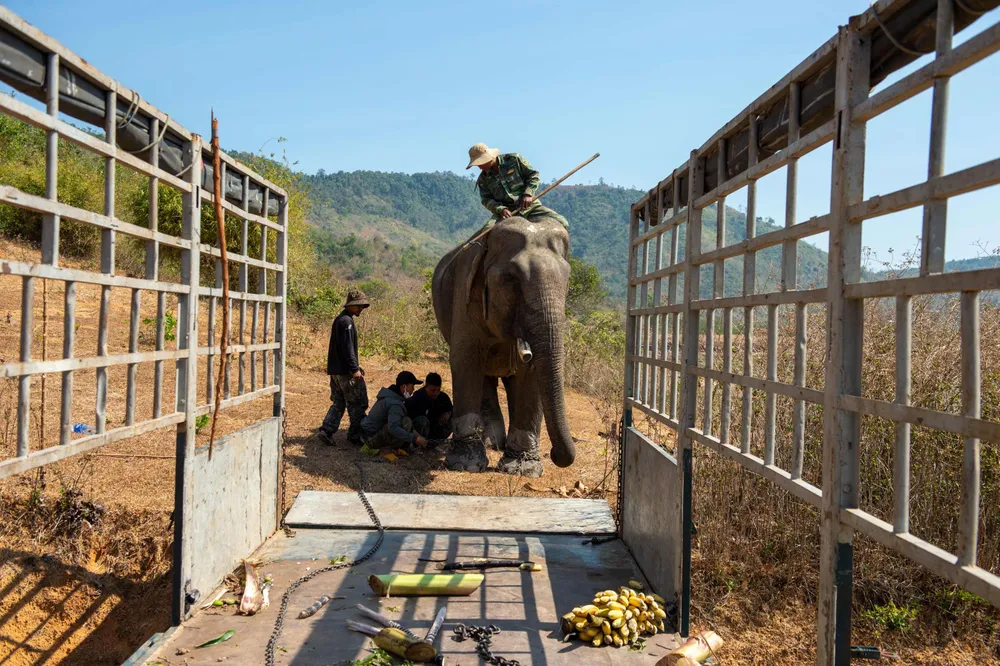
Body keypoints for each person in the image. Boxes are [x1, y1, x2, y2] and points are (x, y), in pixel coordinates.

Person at [467, 143, 569, 231]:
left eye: (480, 163)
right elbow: (486, 199)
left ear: (489, 157)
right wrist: (501, 209)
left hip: (529, 207)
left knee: (562, 222)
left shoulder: (514, 160)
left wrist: (528, 194)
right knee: (486, 233)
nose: (479, 166)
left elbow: (533, 175)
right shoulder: (483, 179)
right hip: (505, 214)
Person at [317, 289, 370, 446]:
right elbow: (347, 348)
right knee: (357, 403)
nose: (360, 309)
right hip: (345, 372)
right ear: (351, 306)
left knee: (339, 402)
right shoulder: (346, 322)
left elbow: (343, 348)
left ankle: (326, 430)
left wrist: (355, 365)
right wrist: (354, 369)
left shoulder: (340, 320)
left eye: (362, 306)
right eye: (358, 306)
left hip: (336, 371)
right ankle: (355, 435)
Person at [360, 371, 429, 451]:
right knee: (406, 422)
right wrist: (414, 439)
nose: (413, 390)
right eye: (412, 386)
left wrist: (418, 436)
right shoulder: (395, 404)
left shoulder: (390, 395)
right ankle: (384, 449)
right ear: (404, 387)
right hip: (370, 438)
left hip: (367, 434)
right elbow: (393, 428)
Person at [406, 372, 453, 441]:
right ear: (426, 386)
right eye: (433, 390)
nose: (436, 393)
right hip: (420, 434)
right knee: (422, 421)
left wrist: (448, 413)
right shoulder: (417, 398)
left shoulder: (443, 397)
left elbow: (451, 409)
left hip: (437, 431)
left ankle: (438, 441)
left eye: (438, 390)